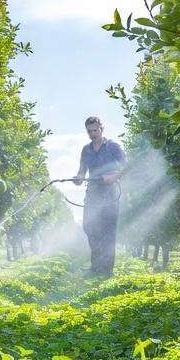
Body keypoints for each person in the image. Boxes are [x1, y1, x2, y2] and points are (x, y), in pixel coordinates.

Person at [73, 116, 125, 276]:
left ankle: (106, 270)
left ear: (102, 128)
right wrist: (79, 178)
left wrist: (113, 177)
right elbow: (82, 170)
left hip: (110, 195)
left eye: (95, 130)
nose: (92, 134)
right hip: (92, 195)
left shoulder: (113, 147)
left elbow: (127, 166)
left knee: (108, 231)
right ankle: (96, 267)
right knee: (89, 227)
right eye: (89, 131)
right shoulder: (86, 150)